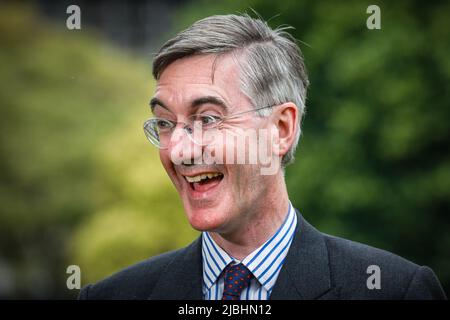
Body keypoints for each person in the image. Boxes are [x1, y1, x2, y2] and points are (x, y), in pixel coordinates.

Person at [78, 14, 446, 300]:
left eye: (208, 118)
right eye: (164, 123)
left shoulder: (393, 291)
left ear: (281, 129)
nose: (179, 149)